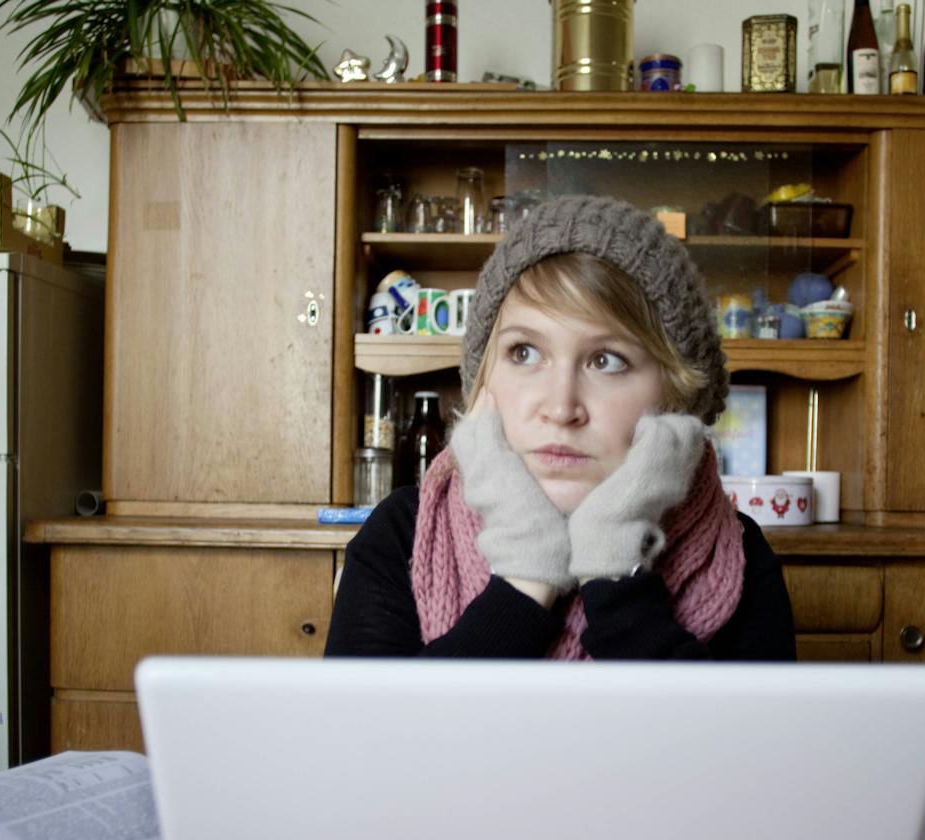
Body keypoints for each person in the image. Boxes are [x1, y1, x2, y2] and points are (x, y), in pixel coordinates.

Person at [326, 195, 795, 659]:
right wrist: (524, 578)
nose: (560, 406)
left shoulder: (738, 554)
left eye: (606, 360)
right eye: (524, 353)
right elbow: (376, 734)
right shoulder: (401, 533)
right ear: (484, 380)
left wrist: (616, 572)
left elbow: (727, 737)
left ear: (677, 394)